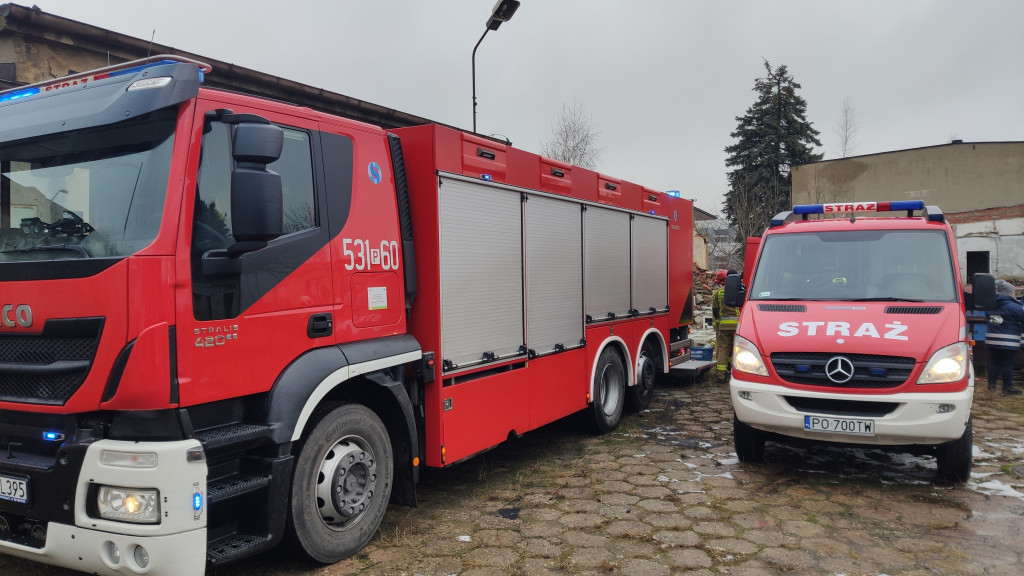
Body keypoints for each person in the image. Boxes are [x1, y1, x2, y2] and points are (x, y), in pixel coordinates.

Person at [986, 279, 1024, 395]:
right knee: (1007, 363)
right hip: (1009, 341)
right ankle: (1007, 388)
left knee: (994, 362)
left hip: (992, 340)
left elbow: (990, 317)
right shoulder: (1014, 307)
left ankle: (991, 386)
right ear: (1008, 293)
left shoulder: (990, 305)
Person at [712, 269, 741, 383]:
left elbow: (715, 311)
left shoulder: (717, 293)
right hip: (738, 328)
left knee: (723, 350)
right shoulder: (741, 291)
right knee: (738, 351)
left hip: (723, 328)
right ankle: (737, 374)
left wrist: (717, 326)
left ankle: (720, 376)